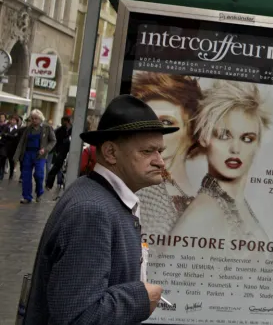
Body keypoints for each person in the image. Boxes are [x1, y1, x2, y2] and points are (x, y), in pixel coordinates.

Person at [22, 94, 172, 324]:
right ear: (111, 152)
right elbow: (78, 317)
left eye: (160, 151)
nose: (160, 161)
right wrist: (141, 297)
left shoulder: (100, 196)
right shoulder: (92, 211)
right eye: (147, 151)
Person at [172, 80, 271, 240]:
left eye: (247, 138)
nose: (235, 148)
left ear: (257, 143)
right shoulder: (201, 214)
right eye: (224, 136)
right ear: (205, 138)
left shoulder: (237, 204)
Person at [132, 73, 204, 237]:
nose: (155, 132)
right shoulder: (143, 193)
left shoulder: (207, 194)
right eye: (148, 122)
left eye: (167, 122)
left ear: (191, 130)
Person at [13, 109, 57, 204]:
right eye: (32, 118)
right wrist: (16, 157)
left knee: (39, 175)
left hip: (40, 155)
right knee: (26, 176)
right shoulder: (28, 129)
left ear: (40, 118)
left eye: (36, 118)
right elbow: (21, 143)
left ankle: (39, 192)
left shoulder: (47, 128)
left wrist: (45, 149)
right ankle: (27, 196)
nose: (33, 120)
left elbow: (53, 140)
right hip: (28, 154)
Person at [45, 116, 72, 190]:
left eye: (64, 121)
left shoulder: (72, 130)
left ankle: (60, 182)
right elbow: (55, 141)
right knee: (56, 167)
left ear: (67, 121)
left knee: (61, 168)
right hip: (61, 151)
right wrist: (56, 151)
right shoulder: (59, 130)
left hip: (69, 152)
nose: (62, 123)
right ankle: (49, 184)